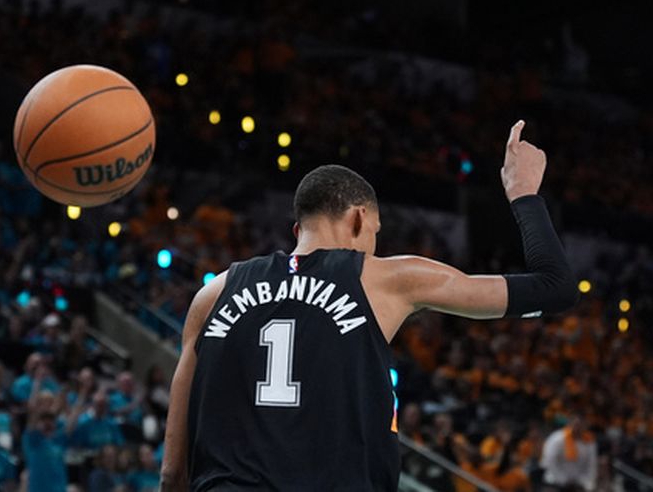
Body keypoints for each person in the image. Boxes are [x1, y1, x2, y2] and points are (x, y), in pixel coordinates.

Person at [161, 121, 579, 491]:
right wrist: (524, 194)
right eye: (375, 232)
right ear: (360, 219)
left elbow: (172, 474)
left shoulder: (213, 294)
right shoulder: (382, 277)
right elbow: (554, 287)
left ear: (298, 228)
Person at [540, 415, 597, 492]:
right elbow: (549, 461)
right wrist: (562, 479)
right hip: (555, 482)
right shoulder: (557, 439)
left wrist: (586, 481)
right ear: (570, 424)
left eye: (581, 425)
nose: (578, 428)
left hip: (577, 484)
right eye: (576, 424)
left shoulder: (589, 442)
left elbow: (591, 465)